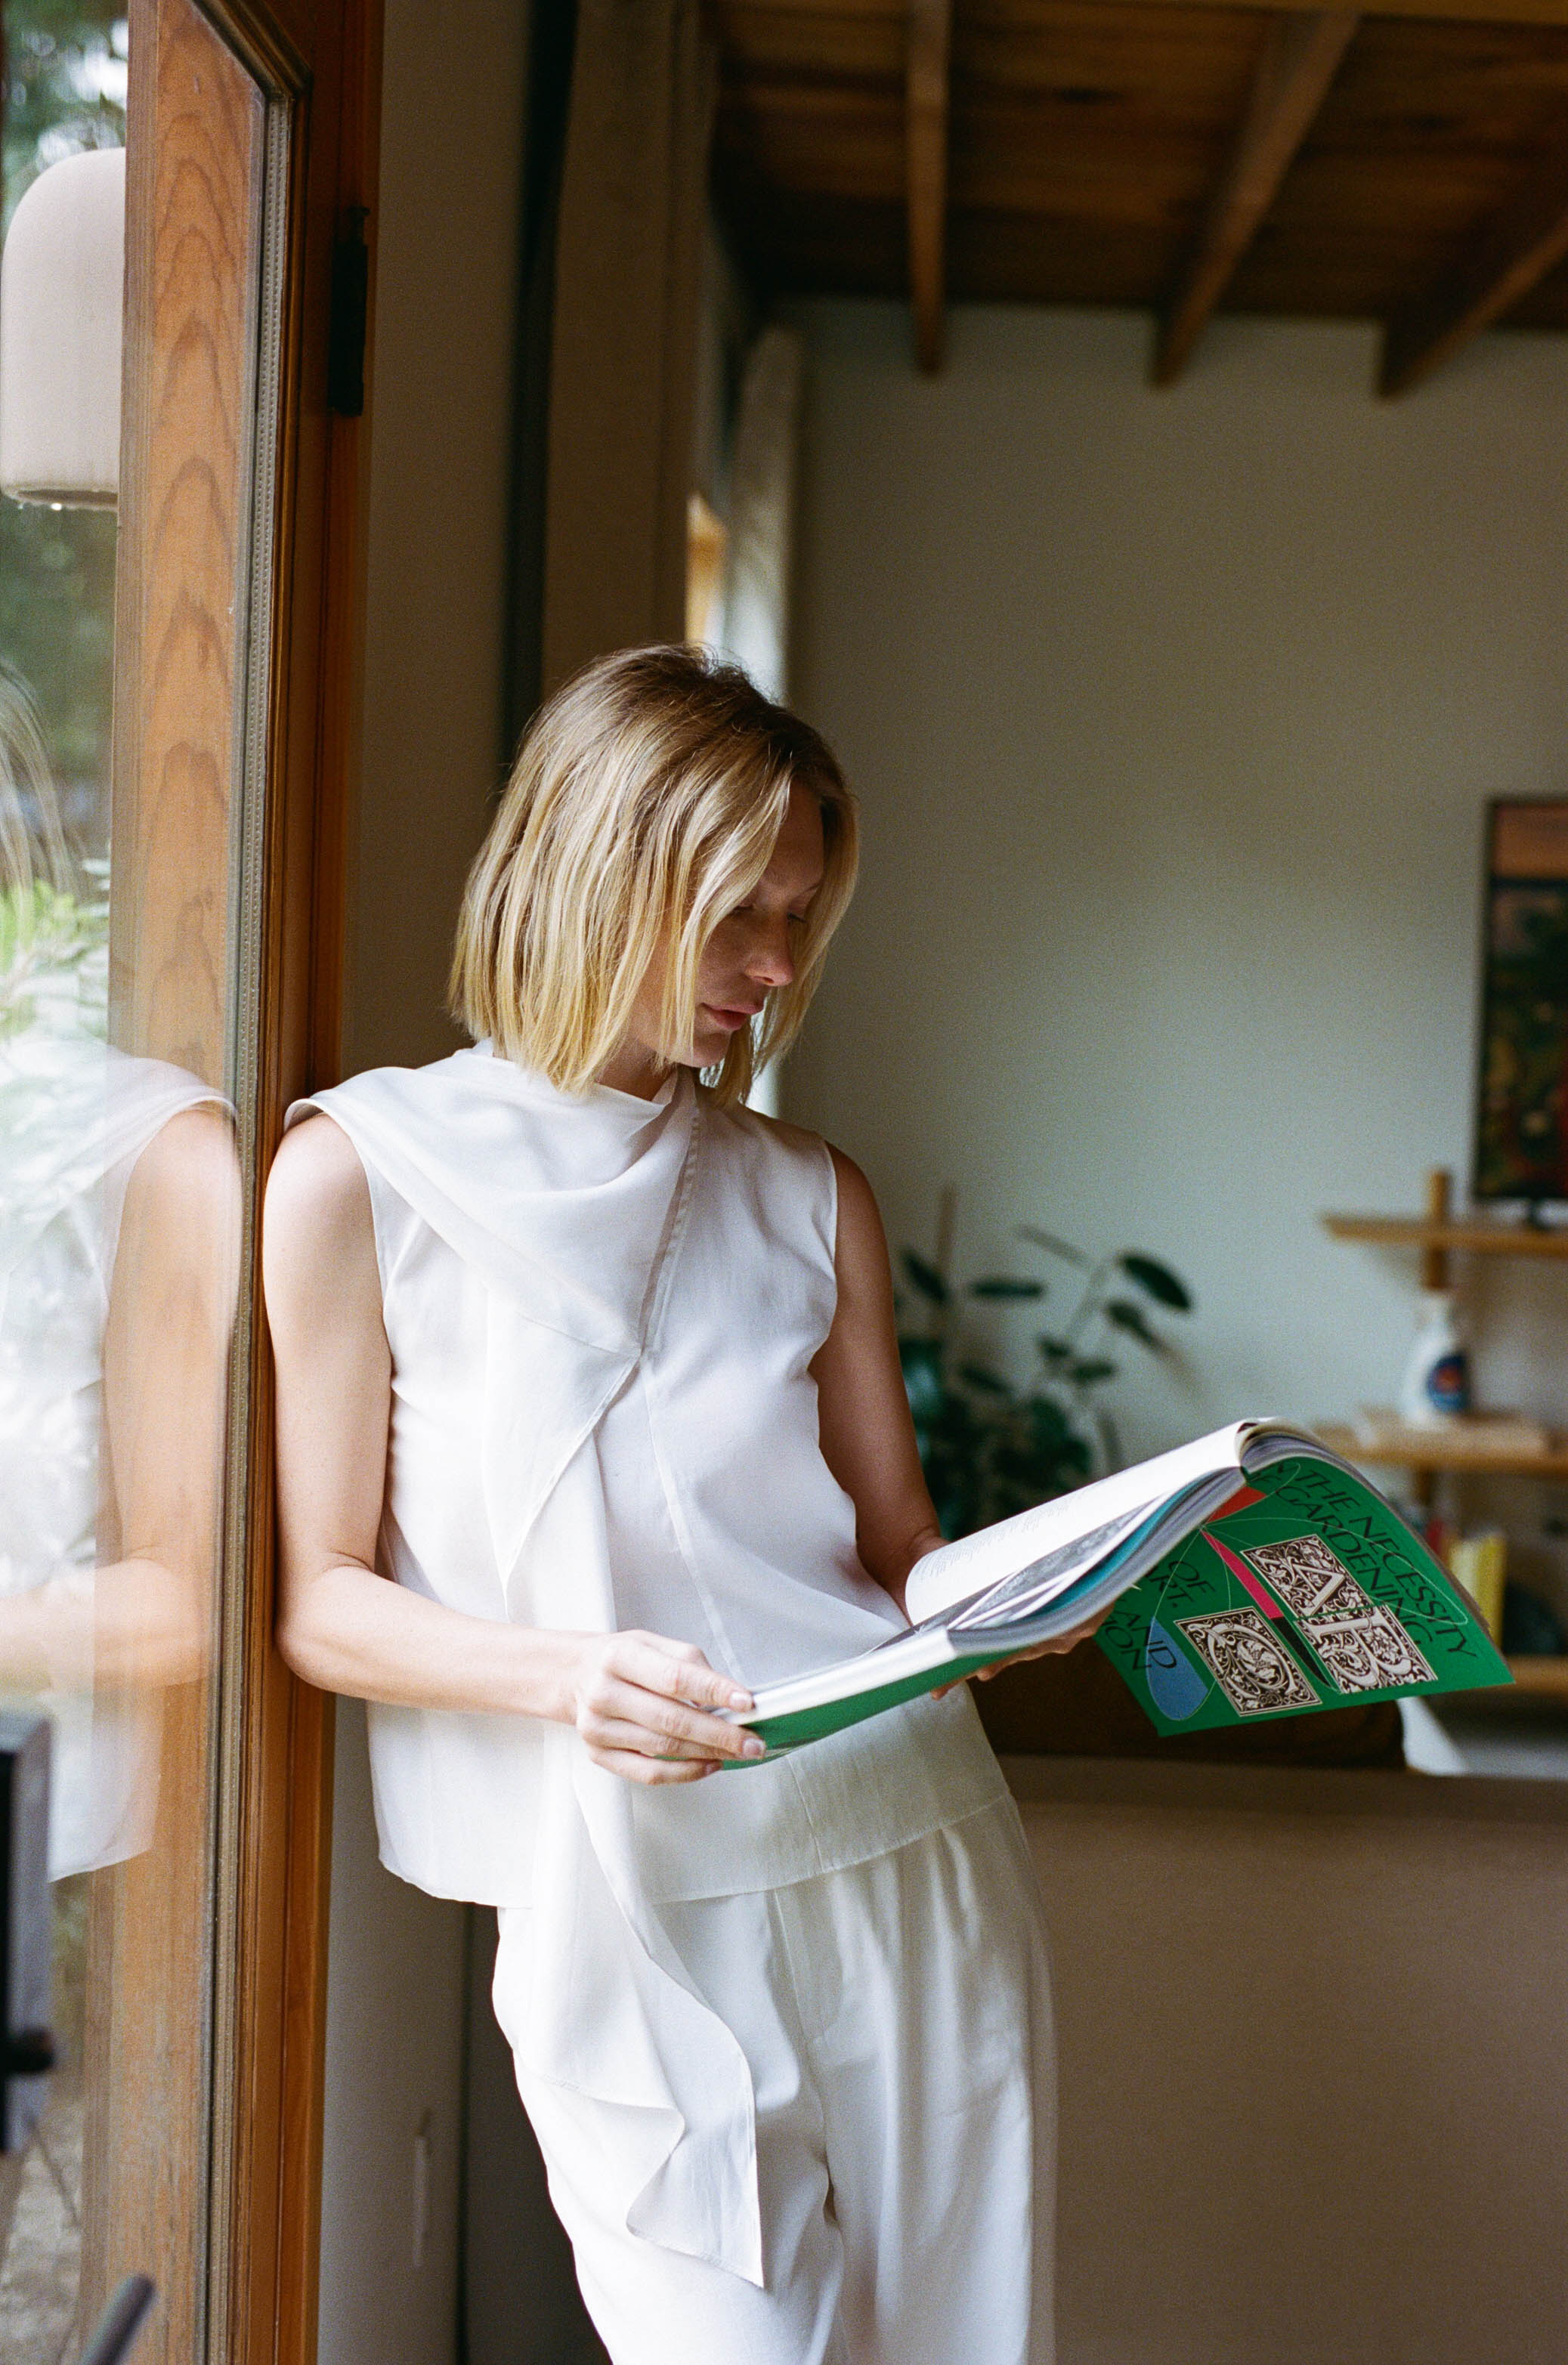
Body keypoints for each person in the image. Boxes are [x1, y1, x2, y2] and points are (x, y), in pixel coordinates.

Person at [264, 646, 1096, 2365]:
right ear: (593, 873)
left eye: (798, 917)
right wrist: (568, 1676)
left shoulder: (809, 1197)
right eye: (735, 915)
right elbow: (322, 1599)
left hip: (904, 1846)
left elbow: (893, 1550)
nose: (776, 969)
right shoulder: (364, 1170)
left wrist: (1025, 1594)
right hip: (612, 1893)